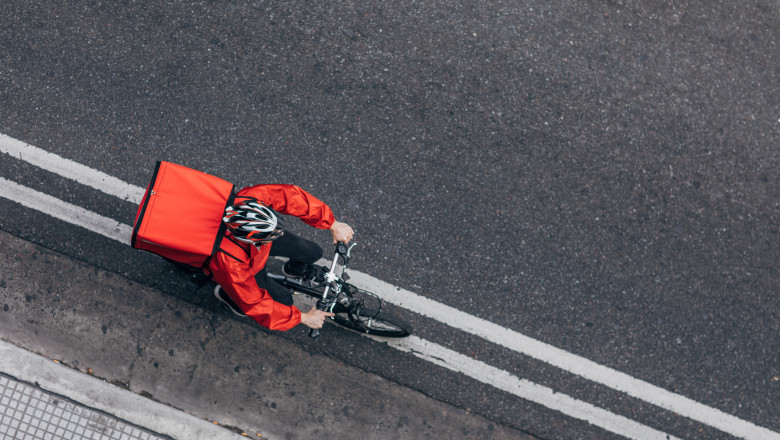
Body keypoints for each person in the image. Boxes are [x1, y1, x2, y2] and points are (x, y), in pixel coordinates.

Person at [208, 183, 354, 331]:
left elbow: (288, 196)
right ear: (252, 240)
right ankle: (229, 297)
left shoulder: (251, 198)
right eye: (273, 234)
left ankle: (294, 269)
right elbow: (254, 304)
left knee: (313, 252)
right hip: (248, 268)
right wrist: (303, 318)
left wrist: (332, 223)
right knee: (284, 300)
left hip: (259, 246)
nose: (282, 233)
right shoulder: (230, 264)